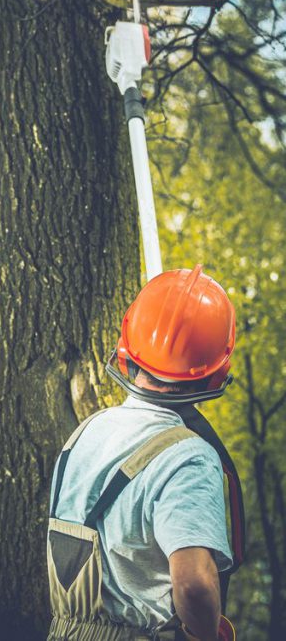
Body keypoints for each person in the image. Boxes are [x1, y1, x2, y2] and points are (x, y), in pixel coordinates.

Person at [47, 265, 244, 641]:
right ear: (215, 371)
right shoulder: (190, 457)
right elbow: (195, 584)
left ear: (128, 349)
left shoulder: (86, 432)